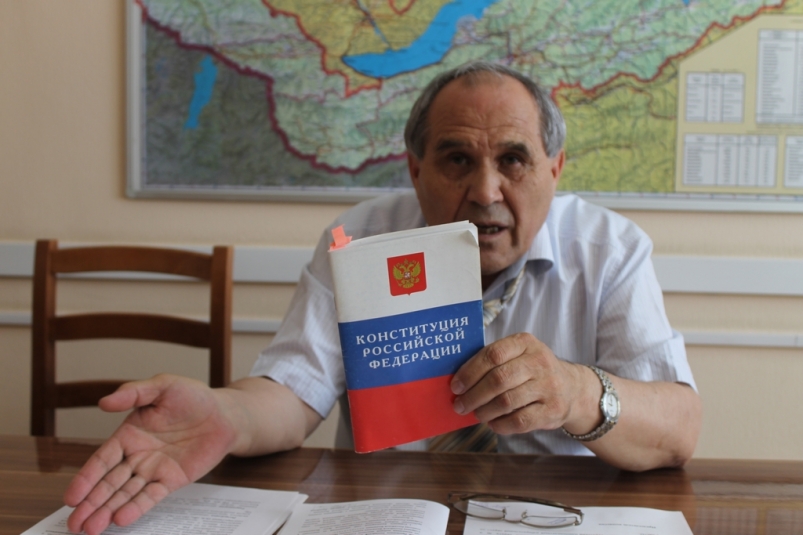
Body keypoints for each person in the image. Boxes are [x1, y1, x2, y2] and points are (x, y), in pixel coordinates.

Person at [63, 61, 702, 535]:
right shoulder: (359, 240)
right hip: (387, 513)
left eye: (513, 160)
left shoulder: (609, 250)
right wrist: (225, 413)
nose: (486, 192)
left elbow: (678, 430)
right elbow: (292, 390)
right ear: (415, 168)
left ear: (554, 169)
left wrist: (576, 391)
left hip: (550, 517)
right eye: (457, 160)